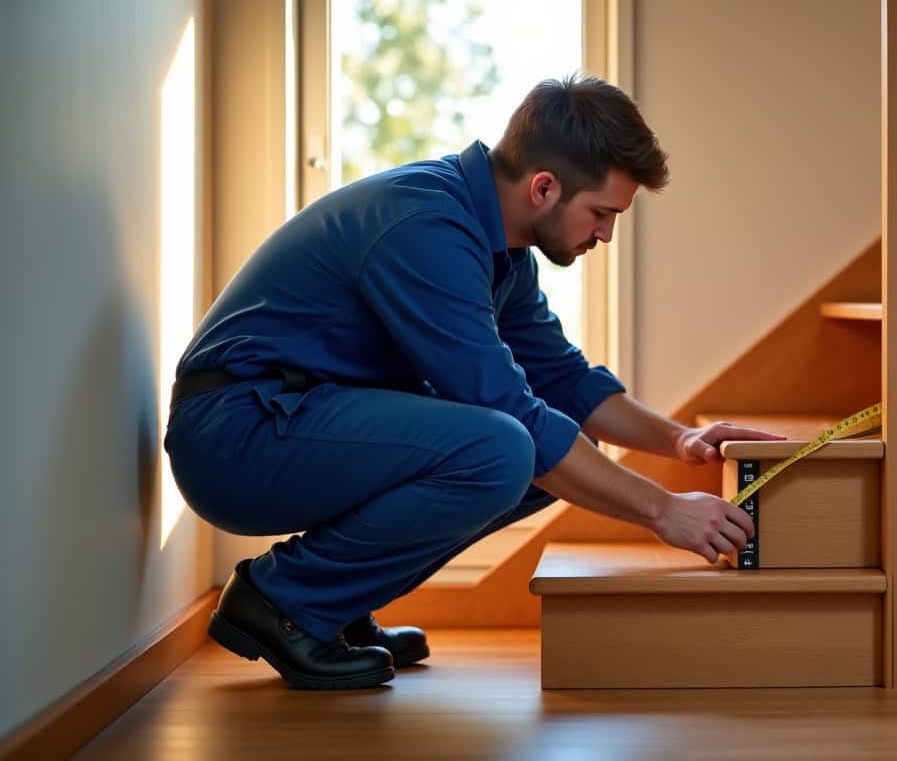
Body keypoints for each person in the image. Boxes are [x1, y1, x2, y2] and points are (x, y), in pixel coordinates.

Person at [164, 75, 784, 690]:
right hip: (236, 434)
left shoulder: (502, 252)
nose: (606, 234)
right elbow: (505, 407)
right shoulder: (426, 226)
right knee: (507, 445)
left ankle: (332, 604)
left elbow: (565, 380)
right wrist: (663, 510)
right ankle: (281, 602)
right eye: (602, 213)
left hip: (295, 418)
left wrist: (682, 442)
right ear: (544, 187)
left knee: (550, 455)